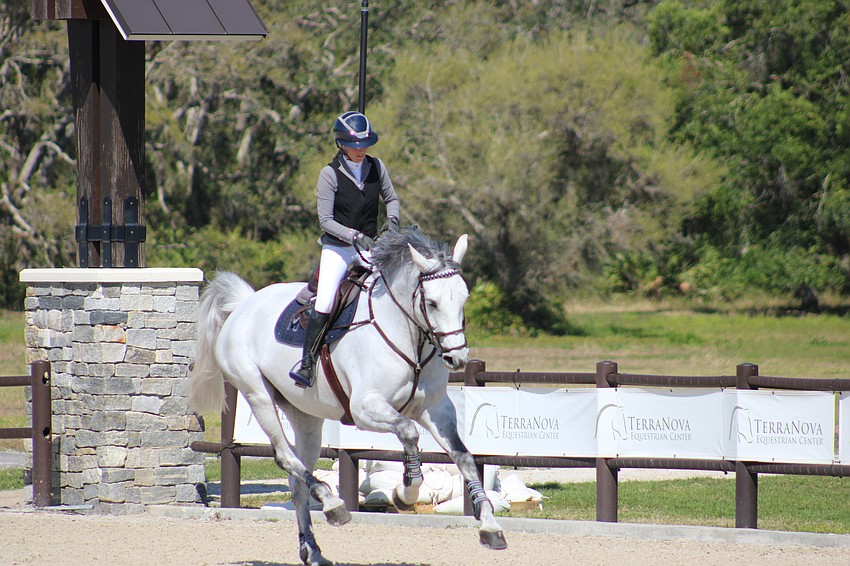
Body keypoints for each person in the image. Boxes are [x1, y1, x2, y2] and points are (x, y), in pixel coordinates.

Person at [290, 111, 400, 388]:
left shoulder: (377, 167)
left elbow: (391, 198)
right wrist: (353, 235)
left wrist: (393, 221)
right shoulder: (329, 174)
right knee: (326, 301)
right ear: (341, 144)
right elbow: (325, 221)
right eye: (355, 145)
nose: (361, 150)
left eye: (365, 145)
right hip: (338, 248)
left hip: (371, 247)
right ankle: (307, 363)